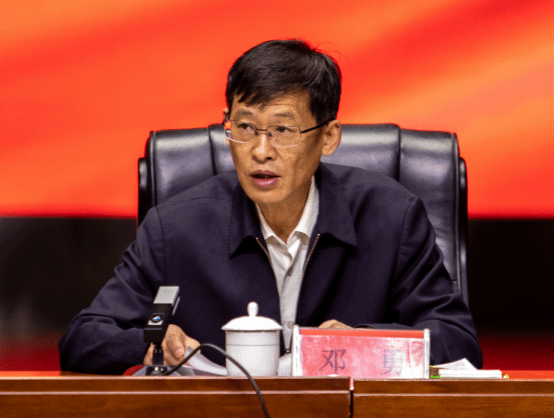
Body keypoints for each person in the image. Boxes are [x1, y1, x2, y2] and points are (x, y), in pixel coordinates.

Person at [59, 39, 482, 374]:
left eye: (283, 130)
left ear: (329, 137)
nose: (261, 151)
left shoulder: (391, 217)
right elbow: (83, 339)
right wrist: (151, 342)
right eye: (244, 127)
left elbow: (457, 340)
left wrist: (362, 343)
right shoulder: (175, 227)